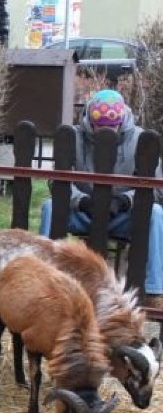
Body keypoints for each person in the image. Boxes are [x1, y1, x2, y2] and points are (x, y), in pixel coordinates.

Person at [38, 89, 163, 309]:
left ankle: (154, 289)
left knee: (156, 214)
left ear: (122, 119)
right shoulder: (74, 138)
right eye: (99, 127)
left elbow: (155, 187)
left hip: (122, 215)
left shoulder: (140, 140)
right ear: (90, 119)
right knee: (50, 207)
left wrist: (125, 201)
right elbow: (56, 181)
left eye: (112, 127)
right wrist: (81, 201)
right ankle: (42, 280)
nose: (106, 131)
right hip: (84, 212)